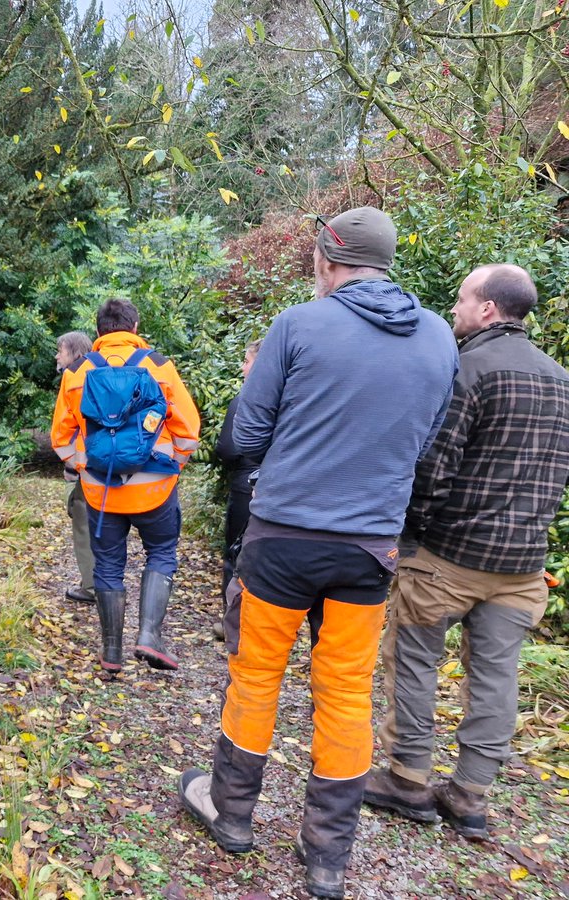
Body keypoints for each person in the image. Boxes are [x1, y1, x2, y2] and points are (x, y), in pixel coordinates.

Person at [178, 207, 459, 900]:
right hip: (370, 549)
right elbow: (426, 446)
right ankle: (328, 855)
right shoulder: (439, 337)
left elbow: (245, 435)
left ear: (326, 259)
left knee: (257, 676)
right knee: (344, 693)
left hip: (283, 540)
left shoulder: (298, 325)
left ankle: (233, 814)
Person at [363, 264, 569, 841]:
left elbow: (432, 465)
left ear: (486, 309)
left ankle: (407, 779)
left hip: (450, 555)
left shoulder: (470, 368)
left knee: (413, 659)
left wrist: (413, 533)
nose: (453, 310)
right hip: (523, 564)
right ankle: (471, 794)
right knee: (497, 678)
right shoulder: (562, 379)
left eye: (459, 300)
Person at [50, 298, 200, 673]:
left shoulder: (78, 371)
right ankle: (149, 635)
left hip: (101, 488)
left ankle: (111, 652)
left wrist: (84, 468)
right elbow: (189, 427)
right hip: (157, 487)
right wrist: (173, 465)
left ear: (99, 332)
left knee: (108, 564)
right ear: (134, 328)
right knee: (162, 551)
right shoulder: (159, 366)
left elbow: (61, 437)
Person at [213, 338, 263, 640]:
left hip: (247, 486)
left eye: (246, 361)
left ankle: (232, 623)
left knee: (236, 555)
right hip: (282, 489)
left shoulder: (245, 399)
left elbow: (227, 449)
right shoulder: (296, 397)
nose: (243, 367)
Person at [55, 330, 97, 603]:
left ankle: (92, 586)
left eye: (61, 350)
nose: (57, 355)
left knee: (83, 526)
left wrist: (72, 464)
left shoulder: (73, 377)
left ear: (74, 352)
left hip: (84, 468)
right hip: (108, 464)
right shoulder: (103, 371)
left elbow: (63, 430)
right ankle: (104, 581)